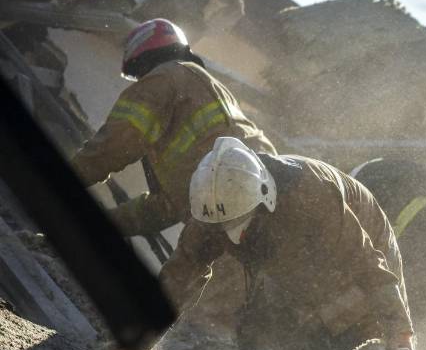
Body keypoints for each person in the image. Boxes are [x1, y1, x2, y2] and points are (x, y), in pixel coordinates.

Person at [177, 137, 413, 350]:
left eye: (240, 225)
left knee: (364, 337)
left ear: (264, 200)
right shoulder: (211, 212)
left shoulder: (310, 197)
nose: (232, 238)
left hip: (362, 236)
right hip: (293, 256)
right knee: (267, 336)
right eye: (222, 228)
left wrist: (399, 330)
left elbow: (367, 266)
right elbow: (179, 273)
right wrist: (140, 344)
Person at [71, 18, 275, 241]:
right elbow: (168, 206)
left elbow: (111, 147)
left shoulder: (163, 78)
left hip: (228, 217)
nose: (140, 80)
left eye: (139, 73)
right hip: (269, 199)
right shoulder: (212, 89)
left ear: (142, 58)